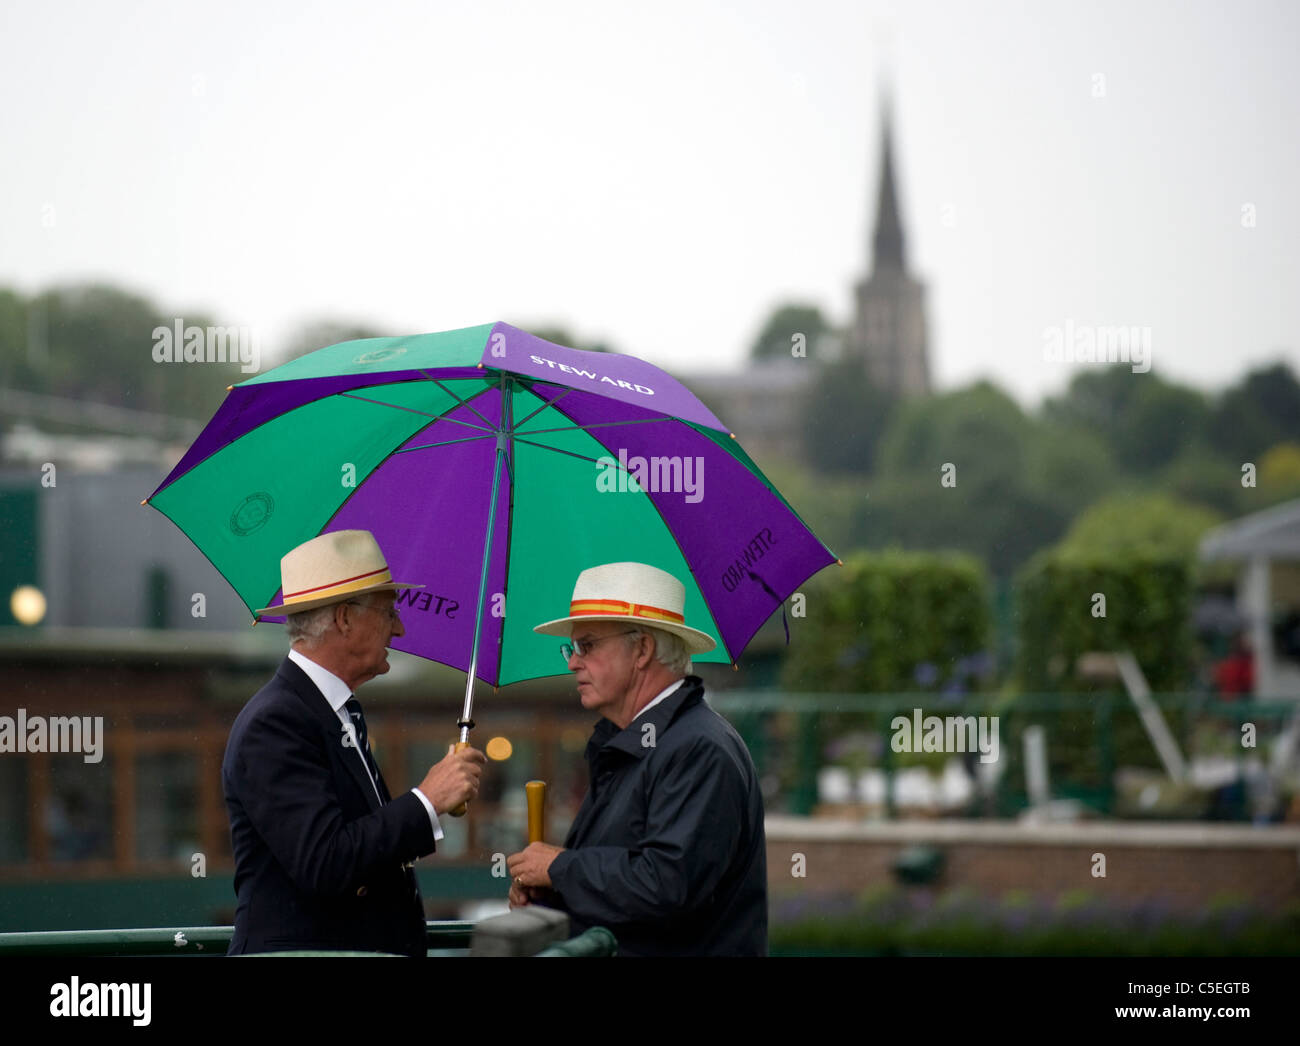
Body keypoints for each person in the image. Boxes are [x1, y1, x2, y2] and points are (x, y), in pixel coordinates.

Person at [223, 529, 485, 956]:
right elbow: (326, 862)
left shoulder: (324, 711)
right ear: (344, 618)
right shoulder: (276, 722)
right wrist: (427, 800)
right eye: (387, 612)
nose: (399, 628)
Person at [505, 562, 767, 956]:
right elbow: (633, 884)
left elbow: (667, 886)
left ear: (642, 649)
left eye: (587, 645)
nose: (572, 661)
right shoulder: (652, 741)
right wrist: (554, 890)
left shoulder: (699, 748)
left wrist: (559, 870)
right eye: (572, 648)